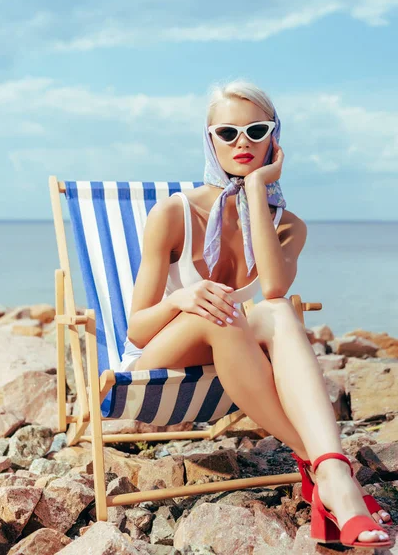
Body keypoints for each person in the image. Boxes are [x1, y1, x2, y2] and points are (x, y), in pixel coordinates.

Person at [123, 80, 392, 548]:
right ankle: (332, 474)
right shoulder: (172, 214)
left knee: (279, 312)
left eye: (255, 129)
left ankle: (327, 475)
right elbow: (138, 330)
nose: (241, 142)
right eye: (226, 133)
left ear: (274, 137)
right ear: (209, 141)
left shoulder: (288, 226)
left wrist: (254, 189)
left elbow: (272, 287)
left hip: (234, 354)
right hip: (163, 357)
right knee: (221, 310)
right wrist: (179, 300)